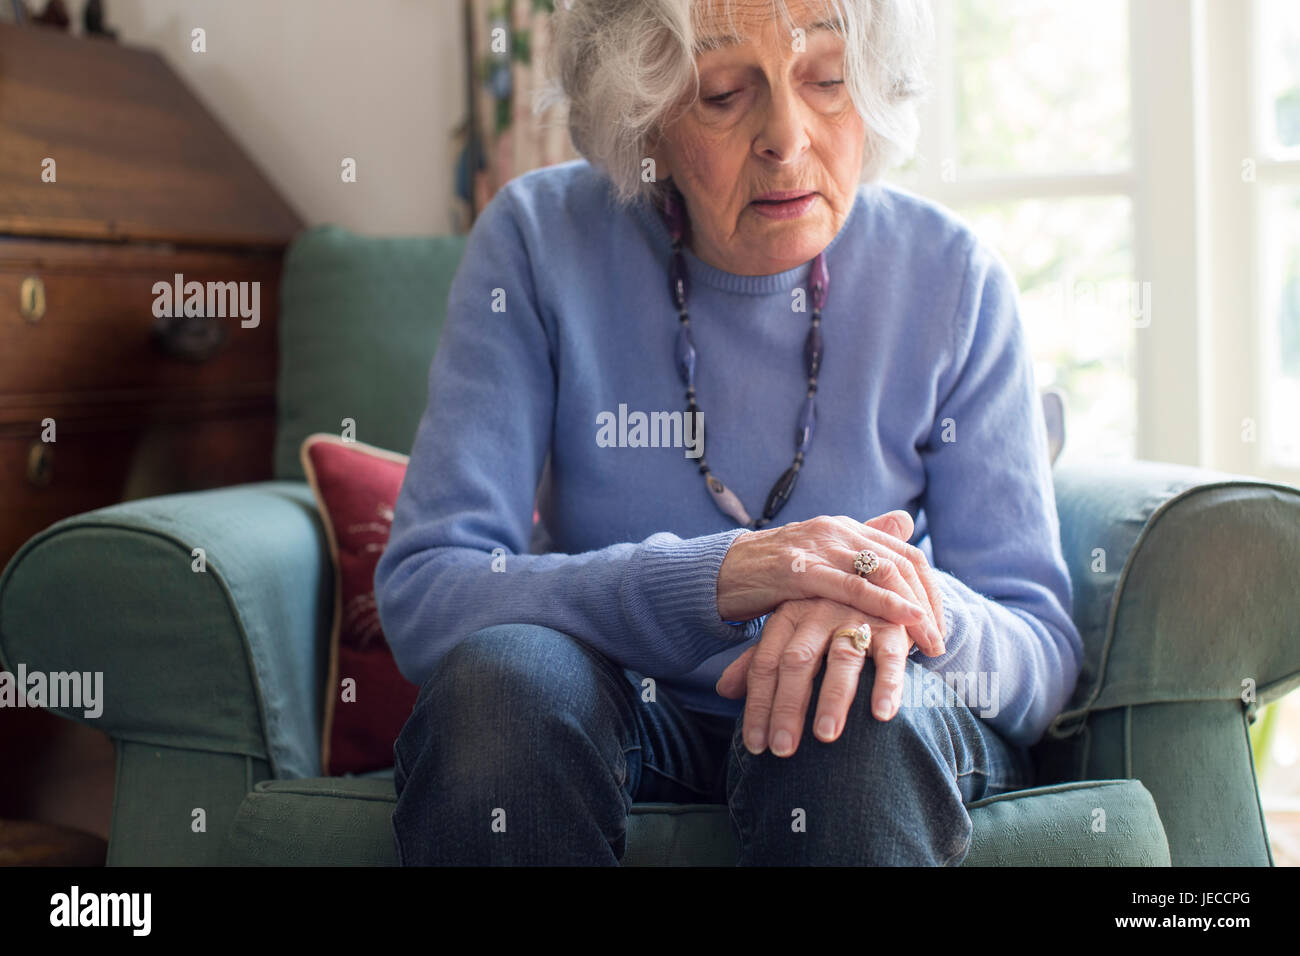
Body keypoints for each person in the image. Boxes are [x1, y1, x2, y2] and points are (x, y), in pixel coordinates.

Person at [376, 0, 1082, 865]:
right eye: (720, 93)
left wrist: (882, 599)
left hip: (870, 727)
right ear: (646, 114)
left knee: (850, 696)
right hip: (622, 709)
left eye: (827, 80)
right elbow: (428, 589)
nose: (787, 136)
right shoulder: (537, 241)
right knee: (501, 690)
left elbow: (1038, 652)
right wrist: (714, 578)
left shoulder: (951, 276)